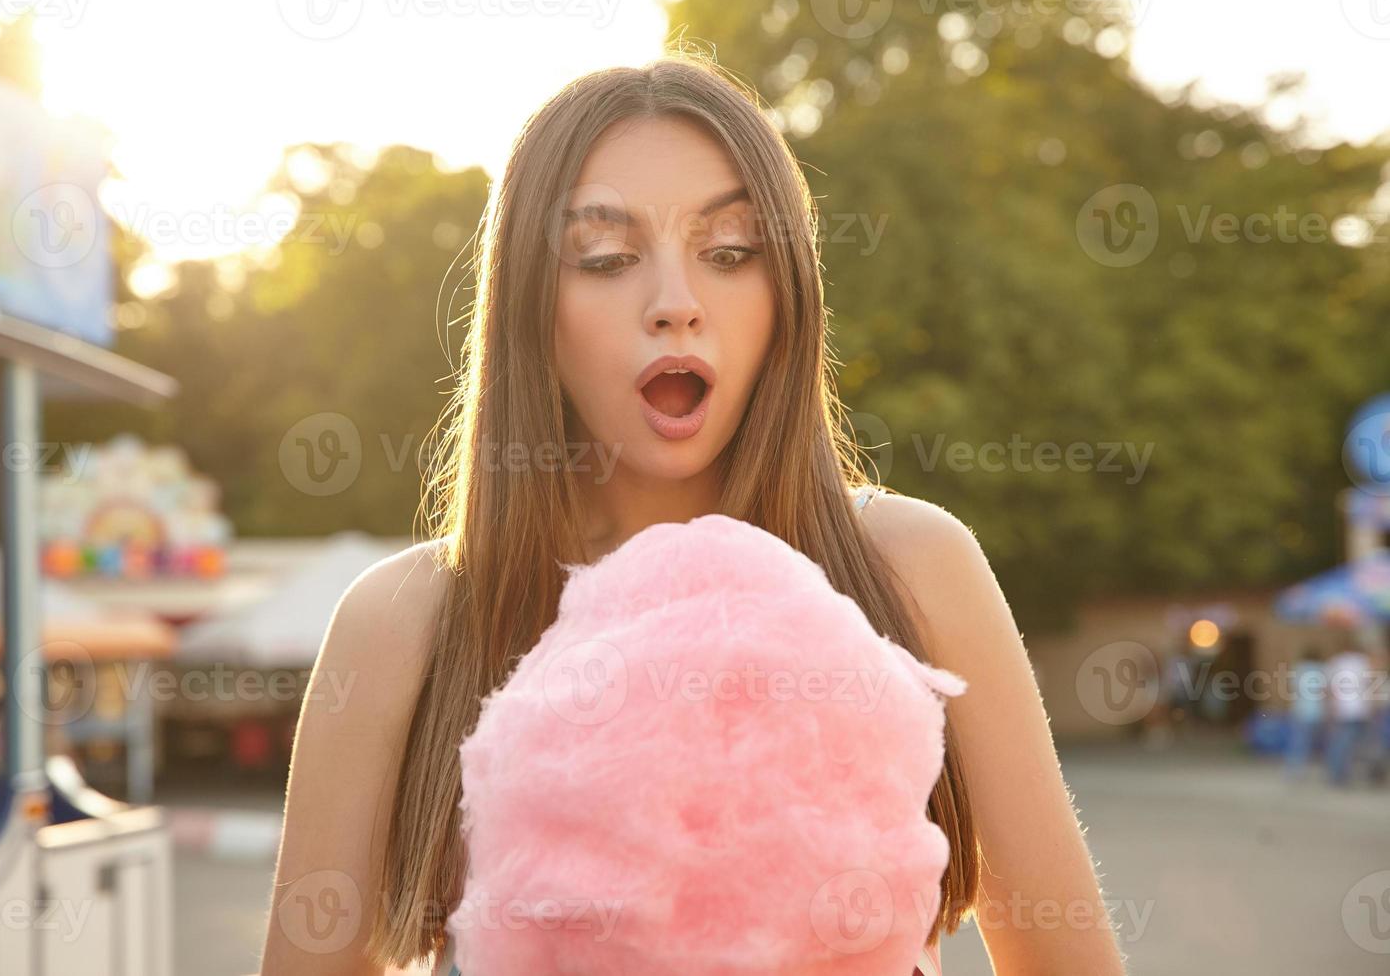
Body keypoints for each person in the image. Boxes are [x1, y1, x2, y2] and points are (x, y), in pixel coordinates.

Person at [260, 52, 1127, 976]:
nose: (676, 305)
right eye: (606, 258)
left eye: (729, 253)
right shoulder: (403, 624)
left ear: (787, 295)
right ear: (529, 307)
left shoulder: (914, 566)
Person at [1325, 639, 1375, 786]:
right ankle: (1347, 774)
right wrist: (1371, 706)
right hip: (1360, 709)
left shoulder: (1336, 662)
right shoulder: (1363, 662)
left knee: (1341, 743)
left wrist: (1331, 707)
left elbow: (1329, 688)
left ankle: (1338, 775)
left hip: (1342, 710)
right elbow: (1370, 686)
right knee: (1358, 744)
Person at [1284, 646, 1327, 779]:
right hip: (1318, 711)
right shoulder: (1322, 669)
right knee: (1319, 744)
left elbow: (1293, 689)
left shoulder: (1299, 669)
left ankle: (1294, 771)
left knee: (1298, 743)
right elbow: (1324, 691)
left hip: (1300, 710)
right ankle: (1323, 771)